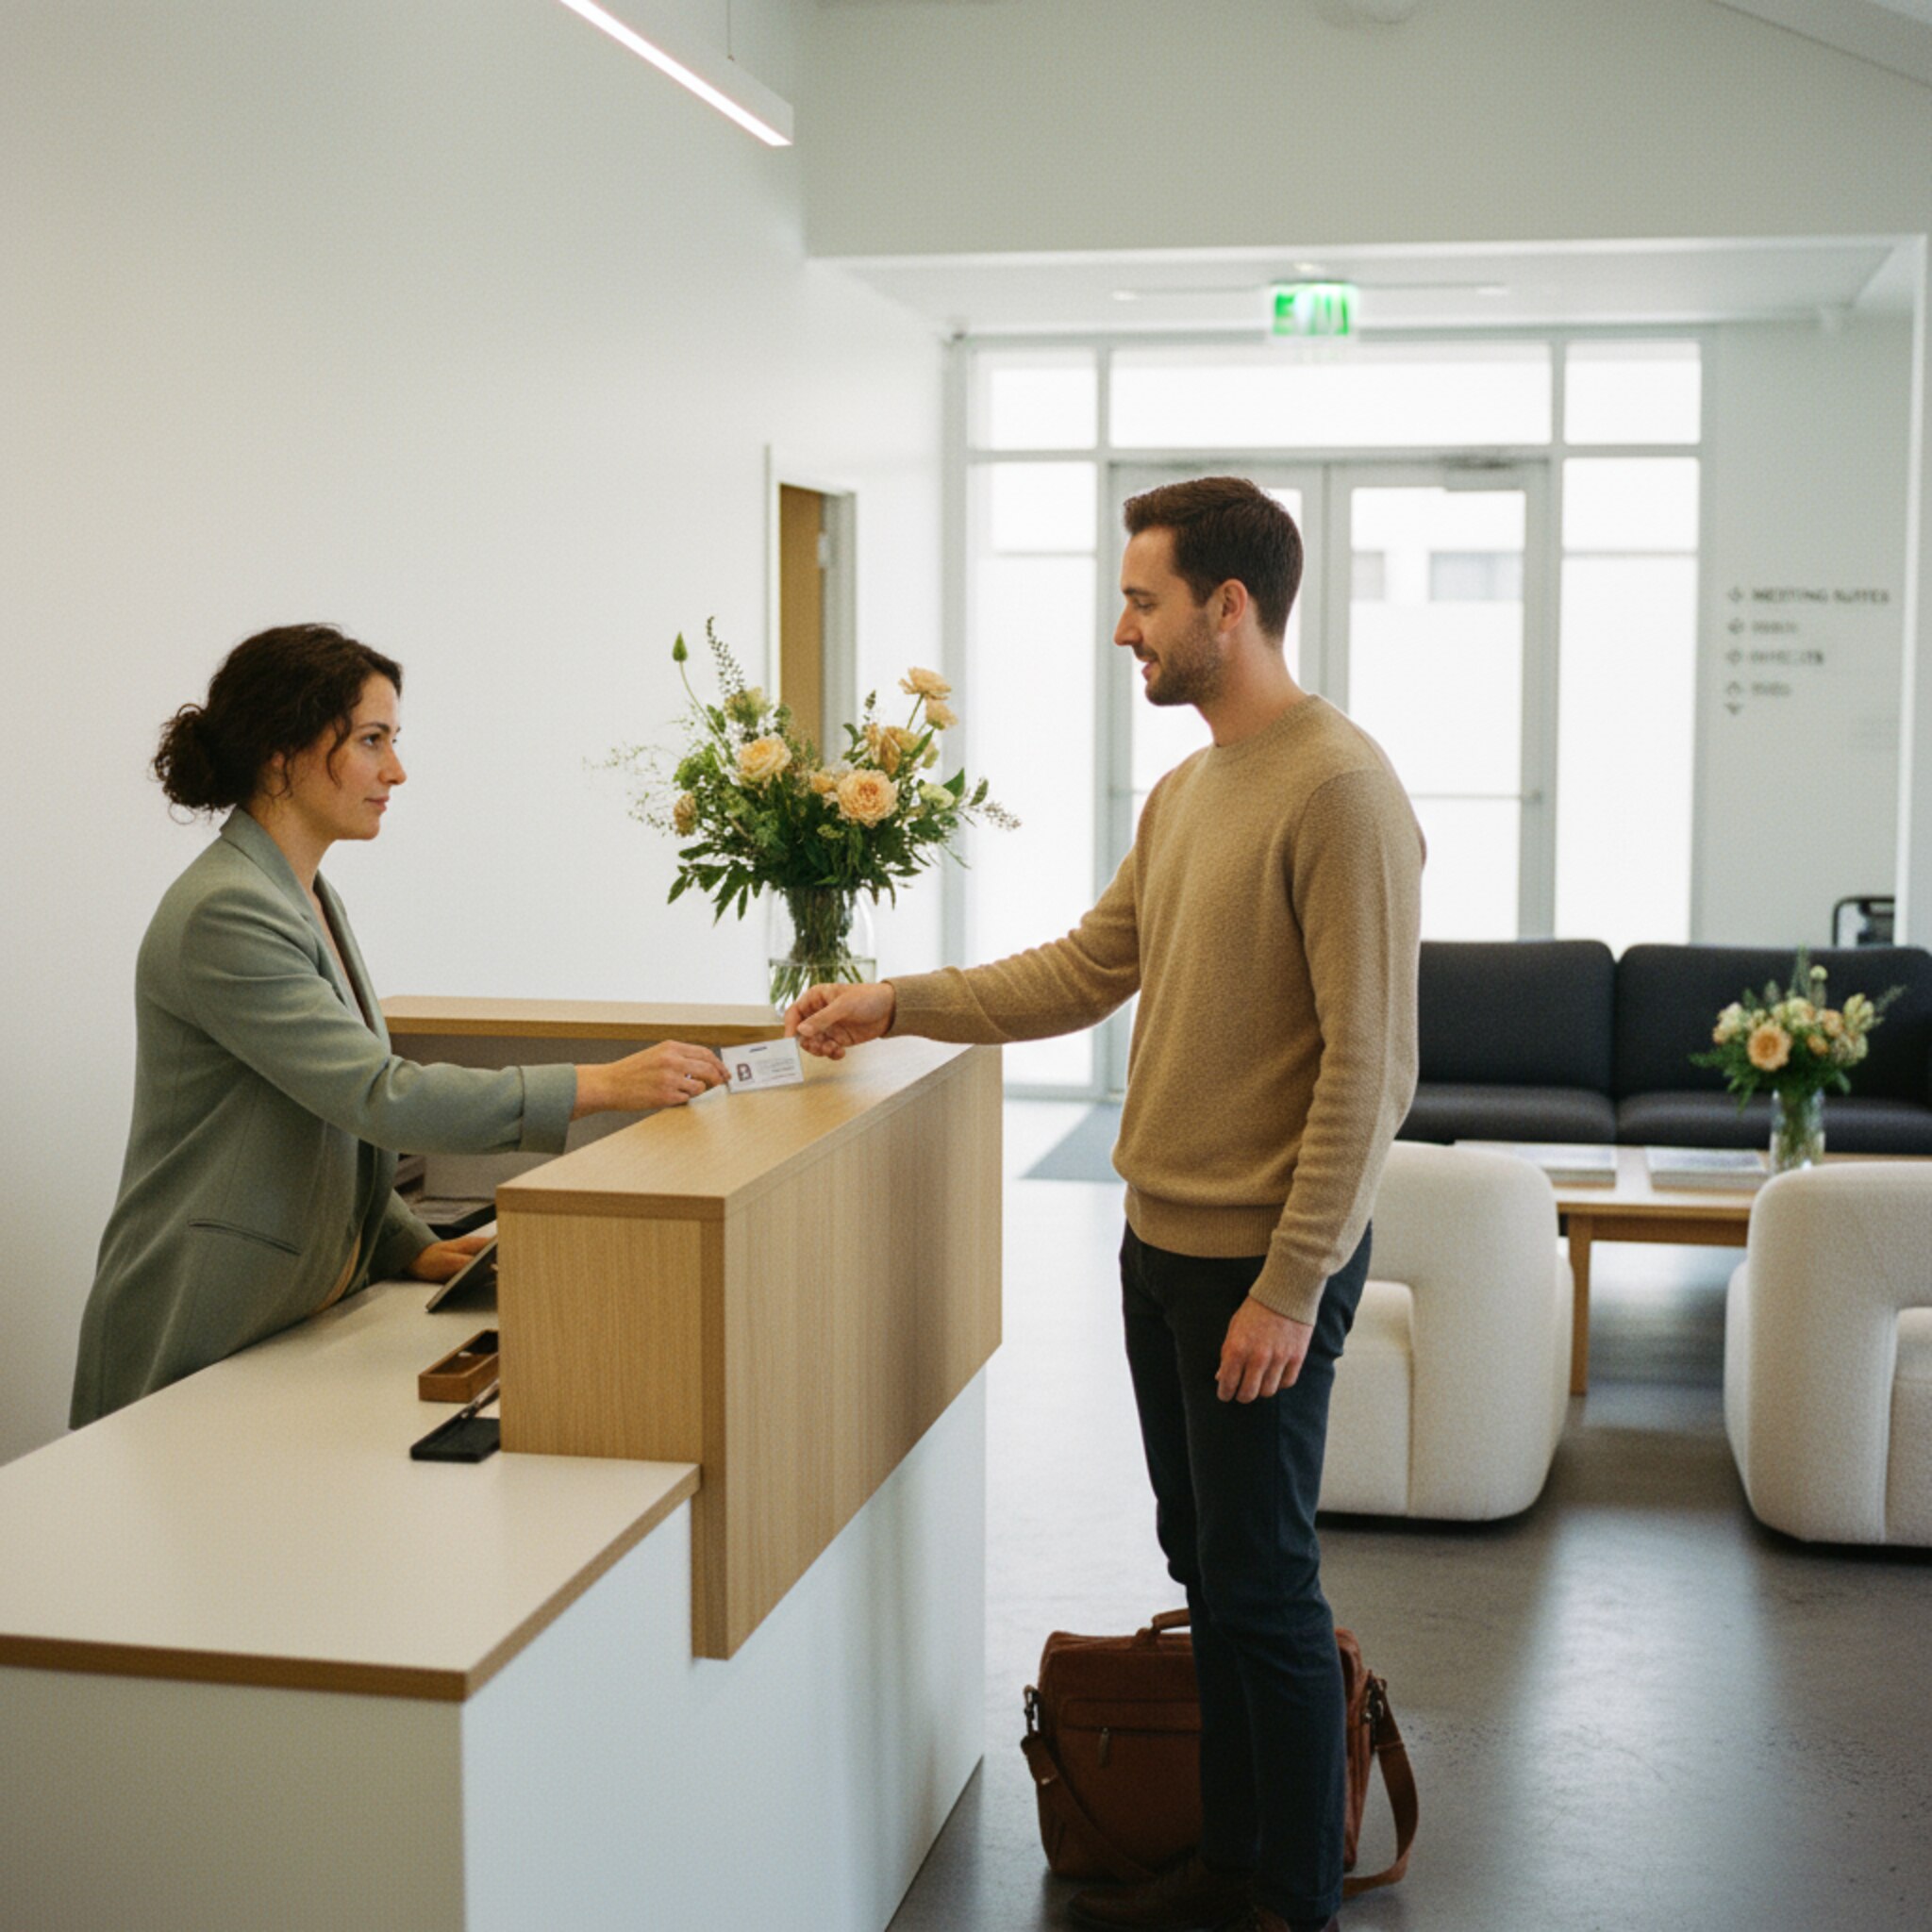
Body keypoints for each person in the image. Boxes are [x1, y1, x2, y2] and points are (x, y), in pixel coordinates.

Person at [786, 478, 1424, 1932]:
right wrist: (897, 1001)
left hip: (1259, 1265)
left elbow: (1372, 1069)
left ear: (1229, 608)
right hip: (1161, 1245)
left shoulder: (1340, 789)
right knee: (1208, 1565)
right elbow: (1086, 967)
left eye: (1142, 601)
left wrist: (1290, 1284)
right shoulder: (1191, 788)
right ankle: (1239, 1856)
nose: (1119, 627)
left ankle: (1291, 1896)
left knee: (1262, 1586)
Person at [71, 624, 726, 1427]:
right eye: (372, 741)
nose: (397, 771)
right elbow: (377, 1094)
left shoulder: (304, 894)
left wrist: (405, 1242)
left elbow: (319, 1117)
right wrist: (603, 1085)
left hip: (288, 1317)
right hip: (199, 1319)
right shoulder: (227, 911)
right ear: (283, 754)